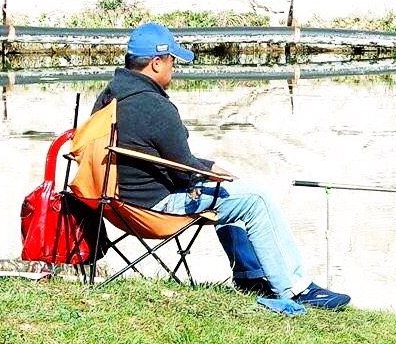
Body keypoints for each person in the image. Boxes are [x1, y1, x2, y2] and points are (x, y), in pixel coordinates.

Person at [93, 21, 348, 314]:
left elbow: (163, 159)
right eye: (172, 62)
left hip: (117, 203)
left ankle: (249, 276)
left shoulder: (109, 96)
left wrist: (209, 167)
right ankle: (296, 288)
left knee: (231, 190)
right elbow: (184, 173)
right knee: (255, 197)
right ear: (155, 63)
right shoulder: (154, 106)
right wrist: (211, 171)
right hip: (154, 209)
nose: (174, 68)